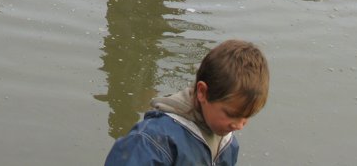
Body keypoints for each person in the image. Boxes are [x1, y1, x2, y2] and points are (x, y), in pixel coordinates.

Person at [105, 39, 269, 166]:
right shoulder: (151, 141)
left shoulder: (227, 143)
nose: (239, 125)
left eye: (247, 117)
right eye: (231, 114)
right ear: (202, 92)